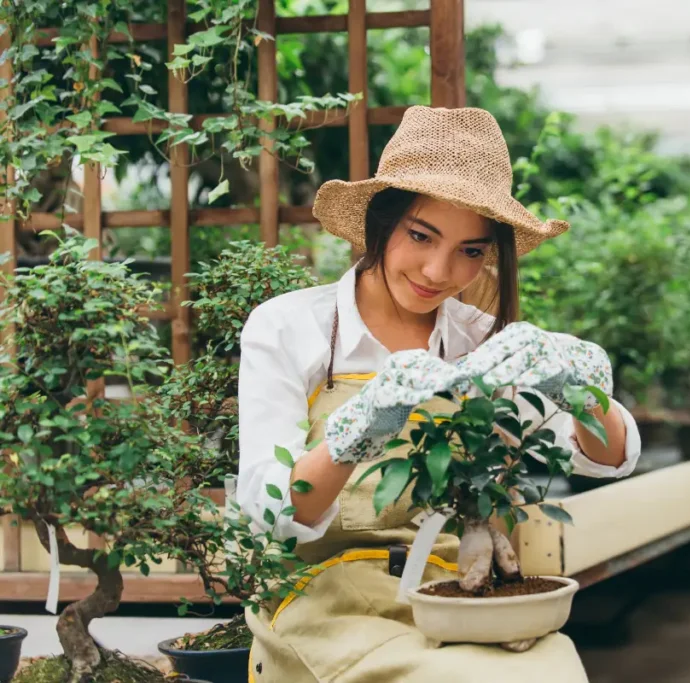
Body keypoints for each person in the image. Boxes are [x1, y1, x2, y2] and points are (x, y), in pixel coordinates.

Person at [237, 106, 642, 682]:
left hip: (460, 592)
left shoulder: (482, 340)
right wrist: (360, 429)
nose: (438, 270)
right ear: (381, 221)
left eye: (471, 251)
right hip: (326, 602)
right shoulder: (290, 327)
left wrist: (583, 393)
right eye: (420, 236)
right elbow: (270, 512)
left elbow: (607, 458)